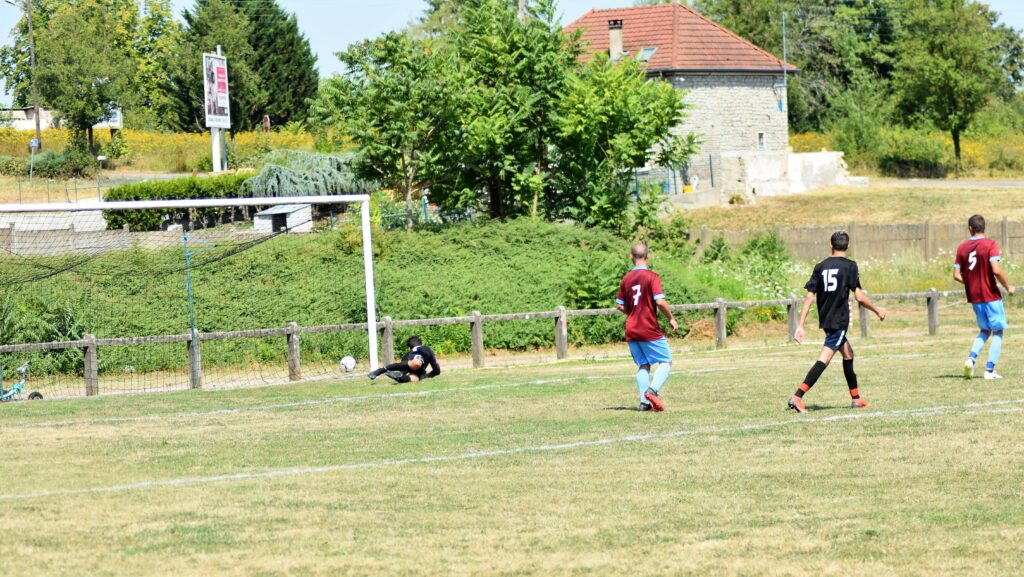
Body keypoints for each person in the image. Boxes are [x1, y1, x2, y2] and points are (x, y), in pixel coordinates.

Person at [789, 231, 886, 413]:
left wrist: (800, 325)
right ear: (848, 246)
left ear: (830, 245)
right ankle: (797, 396)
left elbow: (809, 297)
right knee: (823, 360)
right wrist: (877, 310)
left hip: (826, 320)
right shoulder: (850, 266)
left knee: (848, 354)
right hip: (838, 320)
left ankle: (856, 398)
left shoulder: (820, 266)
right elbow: (859, 297)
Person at [615, 243, 679, 412]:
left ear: (631, 256)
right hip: (648, 328)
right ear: (647, 256)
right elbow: (660, 301)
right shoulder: (652, 277)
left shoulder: (626, 278)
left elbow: (619, 305)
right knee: (666, 361)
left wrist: (632, 312)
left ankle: (644, 403)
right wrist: (671, 318)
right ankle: (652, 391)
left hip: (631, 329)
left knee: (643, 364)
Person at [954, 214, 1016, 380]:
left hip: (975, 298)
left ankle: (971, 359)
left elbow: (956, 275)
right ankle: (989, 370)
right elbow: (996, 270)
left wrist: (971, 284)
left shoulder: (962, 247)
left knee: (984, 330)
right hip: (990, 296)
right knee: (998, 331)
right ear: (984, 228)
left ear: (969, 229)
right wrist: (1008, 286)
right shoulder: (990, 244)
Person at [368, 335, 441, 383]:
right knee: (416, 372)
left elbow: (401, 365)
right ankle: (393, 374)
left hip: (412, 364)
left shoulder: (407, 354)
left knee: (412, 376)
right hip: (418, 364)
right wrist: (427, 376)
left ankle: (393, 374)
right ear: (422, 343)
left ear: (409, 348)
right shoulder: (426, 348)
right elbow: (437, 370)